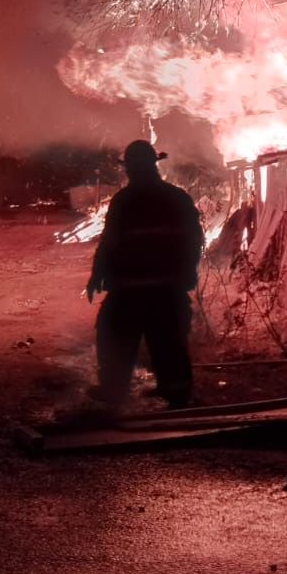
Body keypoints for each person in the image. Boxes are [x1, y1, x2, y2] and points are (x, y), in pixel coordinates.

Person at [85, 140, 205, 410]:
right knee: (168, 343)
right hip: (166, 289)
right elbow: (194, 240)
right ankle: (177, 395)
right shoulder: (177, 197)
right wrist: (187, 273)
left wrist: (97, 275)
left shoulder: (124, 201)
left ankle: (114, 390)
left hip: (129, 289)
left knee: (115, 336)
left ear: (130, 169)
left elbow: (110, 243)